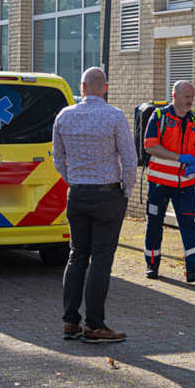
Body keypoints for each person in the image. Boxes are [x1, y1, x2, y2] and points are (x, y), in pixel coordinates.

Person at [52, 67, 137, 344]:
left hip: (77, 193)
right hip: (107, 195)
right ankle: (95, 326)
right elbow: (130, 158)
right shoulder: (115, 116)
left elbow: (58, 158)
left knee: (77, 256)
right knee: (101, 259)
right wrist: (126, 190)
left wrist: (74, 180)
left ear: (82, 87)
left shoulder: (64, 116)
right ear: (106, 88)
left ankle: (70, 322)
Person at [143, 80, 195, 282]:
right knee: (155, 223)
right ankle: (152, 264)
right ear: (174, 96)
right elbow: (150, 146)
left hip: (186, 183)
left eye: (192, 97)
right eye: (187, 97)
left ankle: (194, 266)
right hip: (159, 182)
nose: (190, 101)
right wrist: (179, 157)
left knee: (188, 223)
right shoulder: (159, 117)